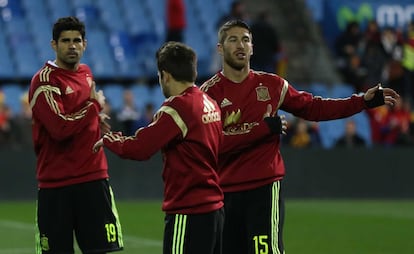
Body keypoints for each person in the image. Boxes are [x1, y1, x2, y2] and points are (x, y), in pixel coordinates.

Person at [200, 20, 399, 254]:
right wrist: (261, 130)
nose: (240, 45)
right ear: (220, 49)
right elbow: (211, 146)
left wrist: (362, 101)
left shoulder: (272, 85)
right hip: (224, 194)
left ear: (253, 48)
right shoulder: (208, 94)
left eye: (245, 39)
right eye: (232, 39)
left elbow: (314, 108)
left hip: (263, 190)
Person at [93, 41, 224, 254]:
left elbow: (140, 148)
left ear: (165, 75)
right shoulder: (208, 102)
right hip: (215, 210)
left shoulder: (177, 108)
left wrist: (109, 138)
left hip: (188, 211)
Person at [28, 16, 123, 254]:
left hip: (93, 178)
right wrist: (94, 108)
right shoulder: (44, 81)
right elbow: (59, 128)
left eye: (77, 40)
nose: (72, 45)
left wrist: (96, 119)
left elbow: (80, 114)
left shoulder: (86, 73)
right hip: (57, 184)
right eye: (65, 41)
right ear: (54, 45)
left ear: (85, 44)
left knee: (100, 250)